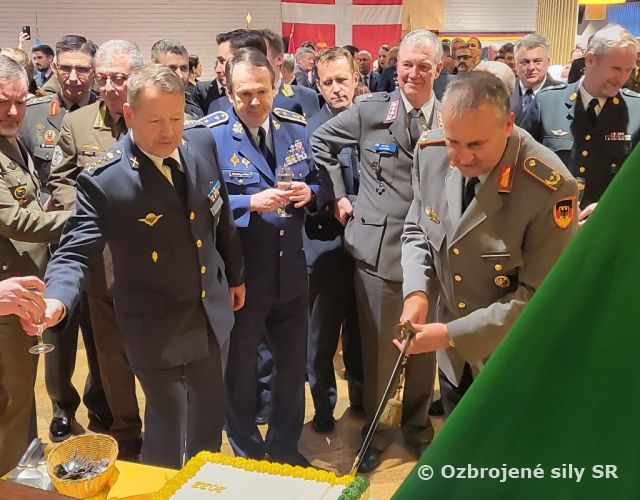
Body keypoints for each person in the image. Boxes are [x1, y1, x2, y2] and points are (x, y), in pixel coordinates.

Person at [27, 63, 245, 469]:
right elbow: (74, 249)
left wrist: (235, 275)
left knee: (207, 418)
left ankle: (203, 484)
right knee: (169, 427)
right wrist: (56, 298)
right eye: (155, 121)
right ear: (128, 115)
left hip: (210, 310)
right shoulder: (105, 179)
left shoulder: (200, 141)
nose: (169, 132)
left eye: (176, 118)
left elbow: (221, 216)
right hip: (155, 324)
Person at [398, 71, 578, 414]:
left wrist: (451, 334)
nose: (462, 157)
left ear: (508, 124)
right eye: (453, 141)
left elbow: (540, 296)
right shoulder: (431, 153)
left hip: (512, 359)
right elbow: (418, 230)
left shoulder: (548, 185)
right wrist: (416, 292)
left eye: (476, 145)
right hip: (452, 358)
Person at [311, 29, 443, 473]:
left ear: (437, 69)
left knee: (424, 346)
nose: (413, 73)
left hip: (432, 249)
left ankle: (418, 427)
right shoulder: (370, 110)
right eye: (406, 64)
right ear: (395, 66)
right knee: (381, 352)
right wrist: (339, 196)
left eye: (423, 66)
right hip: (381, 249)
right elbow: (321, 142)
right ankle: (378, 432)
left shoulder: (451, 115)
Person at [206, 47, 331, 466]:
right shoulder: (210, 136)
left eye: (262, 91)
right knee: (240, 369)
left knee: (291, 370)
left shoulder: (295, 128)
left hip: (291, 271)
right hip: (243, 276)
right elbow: (200, 204)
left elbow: (322, 183)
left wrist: (311, 192)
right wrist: (248, 203)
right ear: (228, 92)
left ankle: (283, 447)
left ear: (276, 86)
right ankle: (246, 451)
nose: (254, 101)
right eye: (244, 94)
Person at [45, 40, 144, 455]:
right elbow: (61, 181)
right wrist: (88, 210)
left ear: (136, 78)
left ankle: (168, 429)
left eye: (118, 78)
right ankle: (126, 432)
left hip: (155, 259)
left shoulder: (155, 114)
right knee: (111, 357)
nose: (109, 87)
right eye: (102, 78)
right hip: (103, 265)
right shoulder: (78, 122)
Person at [0, 54, 70, 476]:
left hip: (23, 290)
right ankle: (11, 478)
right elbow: (14, 219)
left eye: (20, 102)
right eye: (2, 102)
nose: (12, 112)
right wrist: (81, 219)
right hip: (6, 296)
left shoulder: (13, 141)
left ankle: (23, 464)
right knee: (12, 396)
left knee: (22, 391)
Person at [522, 24, 640, 222]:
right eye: (616, 68)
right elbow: (518, 161)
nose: (622, 78)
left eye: (628, 70)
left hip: (605, 224)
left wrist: (610, 206)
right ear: (590, 60)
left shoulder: (636, 111)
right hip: (547, 223)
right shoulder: (547, 103)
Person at [305, 47, 363, 433]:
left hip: (369, 248)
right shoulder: (309, 129)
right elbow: (307, 188)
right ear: (318, 85)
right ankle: (323, 409)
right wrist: (335, 201)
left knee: (361, 333)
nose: (336, 88)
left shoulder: (372, 122)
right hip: (326, 246)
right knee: (322, 338)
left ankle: (362, 400)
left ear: (356, 79)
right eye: (328, 82)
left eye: (343, 79)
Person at [20, 35, 98, 194]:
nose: (73, 78)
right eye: (65, 68)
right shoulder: (30, 115)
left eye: (82, 69)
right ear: (55, 68)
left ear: (95, 71)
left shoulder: (110, 115)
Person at [511, 34, 562, 125]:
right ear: (516, 64)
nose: (531, 67)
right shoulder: (504, 93)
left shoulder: (562, 94)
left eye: (537, 61)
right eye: (525, 62)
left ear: (548, 62)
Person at [150, 39, 203, 118]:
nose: (180, 75)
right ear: (154, 70)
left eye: (184, 68)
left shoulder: (195, 112)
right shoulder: (142, 111)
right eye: (172, 68)